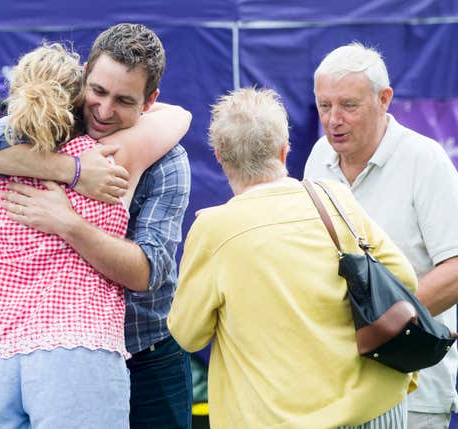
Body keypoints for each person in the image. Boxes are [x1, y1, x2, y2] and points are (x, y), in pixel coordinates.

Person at [0, 24, 193, 428]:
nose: (103, 110)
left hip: (146, 346)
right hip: (43, 340)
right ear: (83, 75)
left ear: (150, 101)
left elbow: (147, 272)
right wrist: (75, 171)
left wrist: (68, 223)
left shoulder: (167, 161)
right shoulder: (46, 127)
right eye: (97, 91)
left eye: (123, 100)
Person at [167, 87, 418, 428]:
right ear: (285, 151)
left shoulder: (213, 229)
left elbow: (187, 334)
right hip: (374, 405)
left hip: (274, 418)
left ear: (219, 157)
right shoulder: (334, 196)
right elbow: (404, 278)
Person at [304, 42, 458, 429]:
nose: (333, 119)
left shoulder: (426, 161)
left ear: (384, 99)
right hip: (334, 390)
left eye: (348, 105)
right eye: (324, 106)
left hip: (413, 390)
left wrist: (380, 327)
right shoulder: (318, 156)